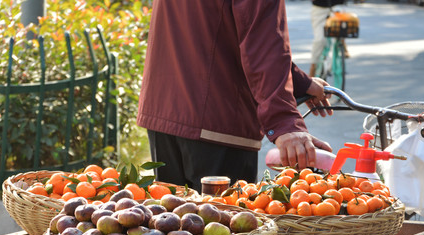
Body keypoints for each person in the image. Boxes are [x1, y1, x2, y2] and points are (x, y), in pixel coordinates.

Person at [137, 0, 334, 192]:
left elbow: (213, 24)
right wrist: (284, 121)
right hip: (217, 119)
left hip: (163, 108)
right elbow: (261, 41)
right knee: (223, 220)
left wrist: (301, 82)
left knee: (172, 219)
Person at [309, 0, 347, 77]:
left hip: (337, 6)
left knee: (341, 29)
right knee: (319, 39)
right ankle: (313, 66)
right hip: (320, 8)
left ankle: (343, 43)